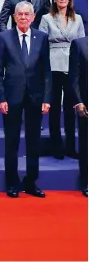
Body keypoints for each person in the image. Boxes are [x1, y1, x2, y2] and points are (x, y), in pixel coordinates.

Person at [0, 1, 51, 198]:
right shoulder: (4, 37)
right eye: (20, 14)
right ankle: (11, 182)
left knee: (33, 142)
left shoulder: (42, 37)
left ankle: (31, 182)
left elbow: (47, 72)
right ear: (14, 16)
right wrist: (0, 98)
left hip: (36, 96)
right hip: (11, 97)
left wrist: (47, 98)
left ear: (33, 17)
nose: (24, 18)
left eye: (27, 14)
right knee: (11, 141)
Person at [38, 0, 85, 159]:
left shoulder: (78, 18)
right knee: (55, 108)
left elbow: (81, 44)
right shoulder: (46, 18)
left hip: (73, 66)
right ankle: (56, 147)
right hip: (53, 65)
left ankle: (71, 148)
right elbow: (41, 44)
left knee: (72, 107)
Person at [68, 37, 88, 197]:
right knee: (86, 145)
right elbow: (73, 78)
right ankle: (86, 182)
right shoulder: (79, 44)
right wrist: (78, 102)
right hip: (86, 105)